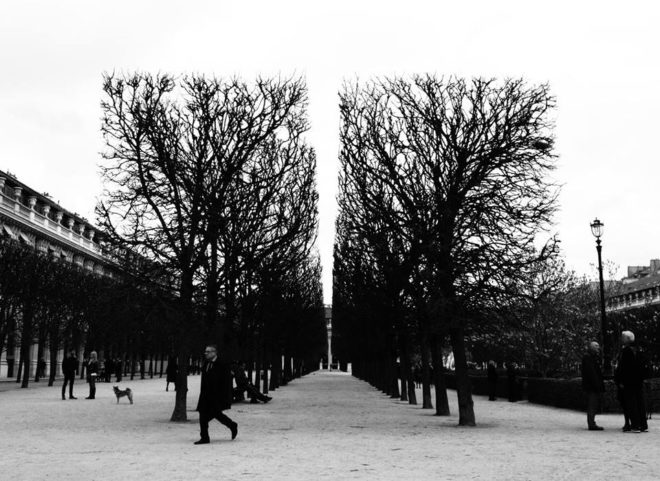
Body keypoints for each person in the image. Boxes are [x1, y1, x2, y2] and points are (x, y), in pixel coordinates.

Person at [194, 345, 237, 445]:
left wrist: (226, 396)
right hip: (205, 395)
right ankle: (204, 437)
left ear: (214, 353)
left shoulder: (222, 364)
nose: (206, 353)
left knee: (215, 414)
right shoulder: (206, 364)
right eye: (205, 351)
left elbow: (226, 382)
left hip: (217, 396)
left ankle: (232, 425)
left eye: (208, 351)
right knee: (204, 415)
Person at [614, 331, 648, 433]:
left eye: (623, 338)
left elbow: (623, 368)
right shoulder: (638, 350)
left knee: (631, 404)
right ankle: (643, 425)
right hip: (637, 381)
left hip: (628, 382)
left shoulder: (626, 351)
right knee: (640, 403)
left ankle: (635, 425)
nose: (621, 339)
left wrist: (620, 380)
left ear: (627, 339)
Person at [581, 341, 605, 430]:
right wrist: (597, 385)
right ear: (591, 348)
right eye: (596, 346)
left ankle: (592, 423)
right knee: (592, 405)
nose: (598, 348)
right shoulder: (588, 358)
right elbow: (592, 374)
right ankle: (591, 424)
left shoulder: (591, 357)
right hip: (592, 387)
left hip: (592, 386)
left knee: (593, 405)